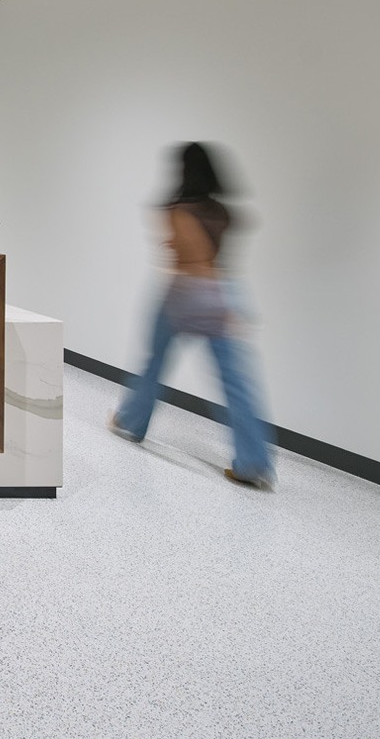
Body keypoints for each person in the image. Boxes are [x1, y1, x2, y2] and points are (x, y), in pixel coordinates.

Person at [110, 142, 276, 490]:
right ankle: (253, 462)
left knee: (154, 363)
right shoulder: (222, 212)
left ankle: (132, 421)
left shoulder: (176, 208)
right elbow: (216, 250)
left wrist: (173, 242)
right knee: (236, 382)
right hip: (223, 292)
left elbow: (187, 253)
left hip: (184, 293)